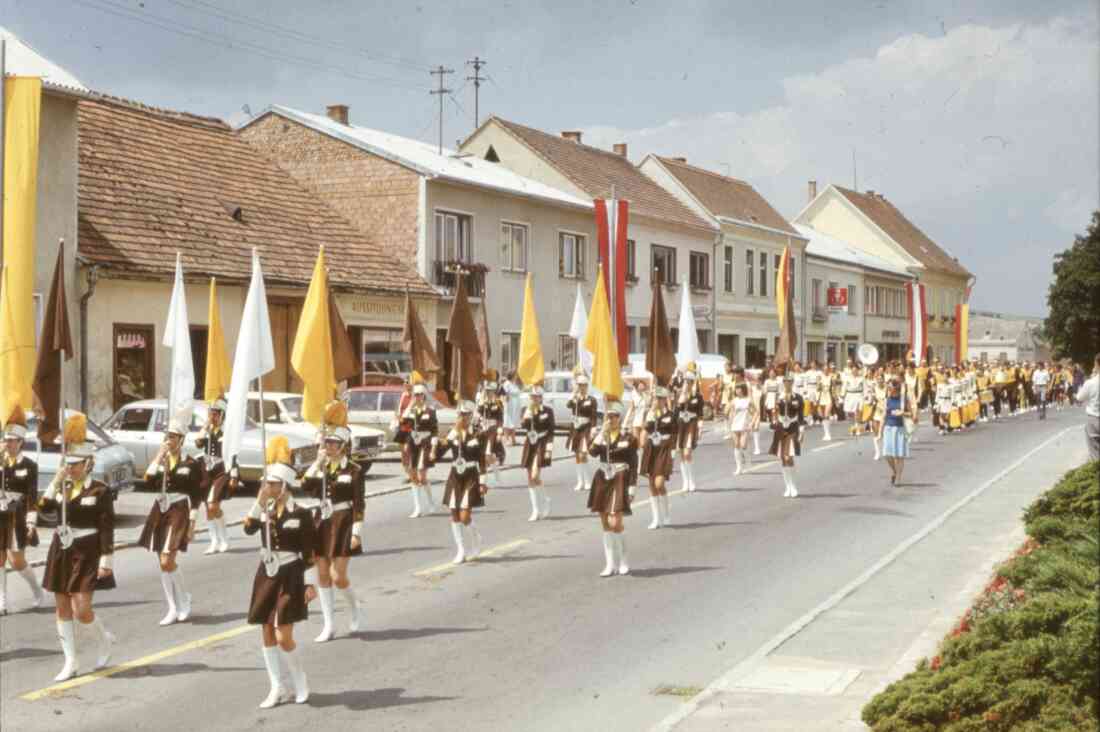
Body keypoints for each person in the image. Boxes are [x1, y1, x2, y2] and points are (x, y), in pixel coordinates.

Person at [38, 413, 116, 682]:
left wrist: (107, 560)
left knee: (81, 609)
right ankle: (71, 661)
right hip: (62, 549)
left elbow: (107, 527)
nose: (70, 469)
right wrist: (55, 481)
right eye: (67, 464)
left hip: (87, 551)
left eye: (75, 465)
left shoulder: (99, 490)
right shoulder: (62, 486)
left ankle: (103, 640)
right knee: (62, 605)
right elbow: (44, 508)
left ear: (88, 463)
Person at [244, 436, 317, 708]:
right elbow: (248, 528)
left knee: (283, 635)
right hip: (267, 572)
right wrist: (258, 502)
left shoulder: (302, 513)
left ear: (284, 485)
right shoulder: (266, 509)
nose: (267, 487)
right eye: (266, 483)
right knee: (266, 630)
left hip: (291, 574)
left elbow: (310, 551)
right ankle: (277, 686)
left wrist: (310, 584)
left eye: (272, 484)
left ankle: (299, 680)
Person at [301, 401, 366, 643]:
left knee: (338, 575)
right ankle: (329, 625)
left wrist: (357, 531)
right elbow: (305, 486)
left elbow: (359, 503)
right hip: (323, 521)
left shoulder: (354, 470)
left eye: (333, 443)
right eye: (326, 442)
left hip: (344, 522)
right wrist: (317, 463)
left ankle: (355, 608)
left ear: (343, 446)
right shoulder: (323, 467)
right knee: (322, 573)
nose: (328, 446)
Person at [140, 417, 202, 626]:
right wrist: (159, 457)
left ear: (181, 439)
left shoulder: (191, 463)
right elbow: (148, 481)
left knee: (168, 560)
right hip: (161, 510)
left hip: (180, 509)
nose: (169, 440)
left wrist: (192, 524)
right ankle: (173, 607)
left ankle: (183, 600)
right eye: (167, 436)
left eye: (174, 437)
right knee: (162, 562)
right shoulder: (162, 461)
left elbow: (197, 495)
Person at [0, 405, 45, 614]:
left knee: (16, 560)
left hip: (17, 515)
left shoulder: (29, 465)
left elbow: (32, 496)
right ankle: (2, 602)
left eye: (12, 441)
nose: (8, 444)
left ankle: (37, 590)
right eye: (6, 440)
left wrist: (31, 521)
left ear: (20, 442)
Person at [586, 402, 637, 576]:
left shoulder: (627, 437)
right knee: (605, 521)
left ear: (619, 418)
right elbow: (592, 452)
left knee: (615, 522)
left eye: (614, 416)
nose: (611, 419)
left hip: (620, 477)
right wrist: (601, 433)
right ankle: (610, 564)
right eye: (608, 416)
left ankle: (623, 560)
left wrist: (632, 487)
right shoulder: (602, 436)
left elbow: (633, 462)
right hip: (603, 477)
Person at [434, 401, 487, 565]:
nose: (463, 418)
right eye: (461, 415)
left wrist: (483, 482)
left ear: (471, 416)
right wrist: (443, 441)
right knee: (454, 513)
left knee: (464, 516)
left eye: (466, 415)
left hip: (471, 476)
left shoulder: (477, 434)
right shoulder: (453, 432)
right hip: (455, 476)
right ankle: (461, 550)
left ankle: (476, 538)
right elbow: (438, 454)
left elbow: (482, 460)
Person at [195, 396, 233, 555]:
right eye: (211, 414)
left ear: (222, 415)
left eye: (216, 414)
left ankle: (224, 538)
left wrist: (234, 474)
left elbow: (232, 453)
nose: (213, 417)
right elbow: (198, 443)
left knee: (213, 505)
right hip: (206, 470)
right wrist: (205, 427)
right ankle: (214, 541)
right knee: (208, 507)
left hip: (221, 470)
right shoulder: (208, 430)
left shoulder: (227, 431)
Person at [398, 378, 440, 518]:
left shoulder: (430, 410)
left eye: (420, 395)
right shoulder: (412, 411)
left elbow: (435, 431)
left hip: (426, 442)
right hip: (413, 442)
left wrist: (433, 449)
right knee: (413, 474)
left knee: (422, 475)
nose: (417, 397)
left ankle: (431, 503)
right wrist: (410, 405)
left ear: (424, 395)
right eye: (415, 395)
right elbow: (403, 422)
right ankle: (418, 507)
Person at [641, 387, 677, 528]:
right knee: (651, 484)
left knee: (659, 484)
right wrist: (651, 411)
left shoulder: (670, 415)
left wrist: (673, 451)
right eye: (656, 398)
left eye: (660, 398)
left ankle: (666, 514)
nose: (657, 401)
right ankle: (656, 519)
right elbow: (645, 428)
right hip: (652, 449)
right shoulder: (650, 414)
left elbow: (674, 433)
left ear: (664, 400)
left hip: (664, 449)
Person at [520, 386, 555, 521]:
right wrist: (527, 414)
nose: (534, 399)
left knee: (535, 475)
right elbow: (523, 426)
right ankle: (535, 509)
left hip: (542, 443)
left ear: (541, 398)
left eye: (537, 397)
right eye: (532, 397)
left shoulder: (547, 411)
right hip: (530, 443)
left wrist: (549, 449)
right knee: (531, 478)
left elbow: (551, 431)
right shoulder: (526, 410)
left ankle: (546, 500)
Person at [770, 376, 805, 498]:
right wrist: (774, 420)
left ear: (792, 383)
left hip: (793, 426)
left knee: (789, 456)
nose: (787, 384)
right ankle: (787, 486)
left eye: (790, 381)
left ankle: (793, 485)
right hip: (781, 427)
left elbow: (801, 414)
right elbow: (774, 411)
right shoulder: (778, 396)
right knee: (783, 458)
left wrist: (802, 430)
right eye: (785, 381)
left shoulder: (798, 397)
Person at [566, 370, 599, 492]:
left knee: (583, 454)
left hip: (586, 427)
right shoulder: (575, 399)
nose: (581, 387)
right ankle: (580, 481)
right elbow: (568, 405)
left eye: (584, 385)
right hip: (576, 428)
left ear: (587, 386)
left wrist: (593, 428)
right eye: (579, 385)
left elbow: (594, 416)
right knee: (577, 455)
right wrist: (573, 394)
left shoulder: (591, 399)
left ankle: (587, 481)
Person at [676, 363, 705, 493]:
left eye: (690, 381)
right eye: (686, 381)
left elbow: (700, 414)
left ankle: (692, 480)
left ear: (694, 382)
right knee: (682, 454)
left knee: (687, 453)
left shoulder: (698, 396)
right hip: (681, 424)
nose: (687, 383)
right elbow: (677, 410)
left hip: (691, 424)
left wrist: (700, 428)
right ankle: (685, 481)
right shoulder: (680, 394)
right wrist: (683, 395)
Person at [477, 369, 507, 486]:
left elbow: (500, 418)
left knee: (487, 453)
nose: (489, 393)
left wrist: (500, 432)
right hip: (483, 429)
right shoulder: (482, 402)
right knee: (487, 456)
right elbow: (478, 414)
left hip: (493, 430)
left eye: (491, 391)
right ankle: (497, 475)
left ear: (494, 392)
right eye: (487, 391)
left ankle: (484, 481)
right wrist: (479, 418)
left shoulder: (498, 403)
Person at [881, 380, 910, 485]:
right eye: (888, 388)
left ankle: (898, 478)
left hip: (899, 428)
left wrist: (902, 413)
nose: (888, 389)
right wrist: (880, 432)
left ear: (896, 388)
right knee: (887, 454)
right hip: (888, 428)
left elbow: (910, 414)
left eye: (890, 388)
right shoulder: (887, 399)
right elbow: (884, 416)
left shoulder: (903, 399)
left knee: (899, 455)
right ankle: (894, 471)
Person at [727, 383, 756, 475]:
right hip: (735, 425)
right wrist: (730, 424)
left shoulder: (748, 400)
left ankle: (748, 464)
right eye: (736, 389)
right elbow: (730, 413)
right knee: (736, 445)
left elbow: (756, 412)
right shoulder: (734, 401)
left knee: (743, 445)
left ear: (743, 390)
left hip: (744, 425)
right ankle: (739, 467)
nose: (737, 391)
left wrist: (752, 423)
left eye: (739, 389)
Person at [1076, 354, 1099, 461]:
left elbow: (1079, 398)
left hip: (1094, 418)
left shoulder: (1091, 382)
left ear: (1097, 364)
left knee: (1095, 455)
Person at [625, 378, 651, 443]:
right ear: (637, 386)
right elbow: (631, 409)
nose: (642, 386)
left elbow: (648, 408)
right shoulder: (633, 396)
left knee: (643, 443)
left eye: (643, 385)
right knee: (636, 442)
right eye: (640, 385)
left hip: (644, 421)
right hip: (636, 421)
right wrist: (625, 421)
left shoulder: (646, 395)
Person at [843, 362, 864, 435]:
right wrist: (842, 395)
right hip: (850, 395)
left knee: (857, 411)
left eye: (856, 370)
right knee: (850, 413)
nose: (854, 371)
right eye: (853, 370)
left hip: (858, 395)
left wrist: (866, 396)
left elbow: (865, 388)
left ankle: (857, 427)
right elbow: (844, 387)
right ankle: (852, 427)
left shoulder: (861, 378)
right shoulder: (847, 378)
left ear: (858, 370)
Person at [502, 372, 523, 447]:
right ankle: (506, 439)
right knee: (508, 422)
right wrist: (506, 401)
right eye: (515, 376)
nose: (516, 377)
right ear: (512, 376)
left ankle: (513, 440)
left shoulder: (514, 384)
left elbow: (519, 390)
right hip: (510, 405)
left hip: (515, 406)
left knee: (513, 422)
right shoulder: (507, 383)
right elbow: (505, 394)